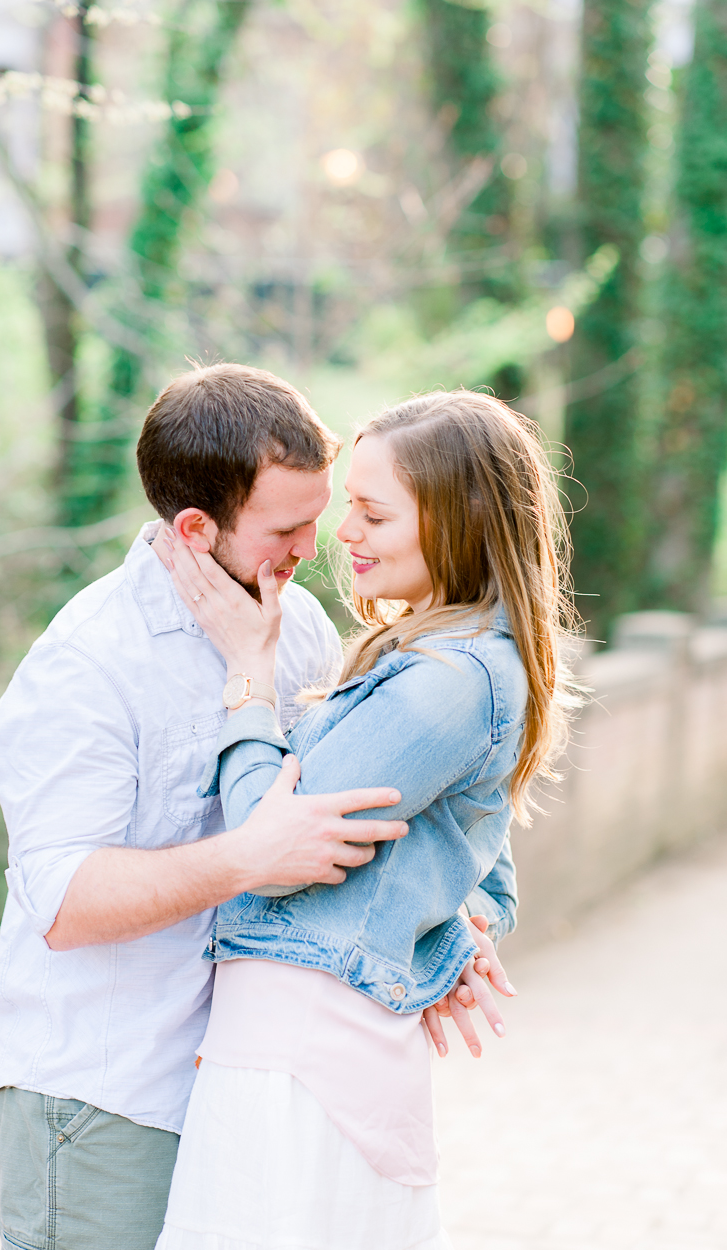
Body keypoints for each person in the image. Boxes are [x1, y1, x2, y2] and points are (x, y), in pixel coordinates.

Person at [0, 364, 515, 1250]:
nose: (320, 543)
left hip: (250, 1087)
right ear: (197, 527)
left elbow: (373, 803)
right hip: (109, 1100)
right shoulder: (86, 664)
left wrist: (450, 919)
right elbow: (65, 903)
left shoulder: (298, 625)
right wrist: (246, 858)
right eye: (289, 528)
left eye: (327, 512)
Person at [155, 388, 573, 1250]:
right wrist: (457, 928)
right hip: (303, 1040)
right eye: (352, 506)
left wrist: (248, 679)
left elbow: (267, 853)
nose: (342, 536)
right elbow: (484, 862)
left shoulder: (451, 682)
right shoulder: (448, 659)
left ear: (459, 523)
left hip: (304, 1048)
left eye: (373, 515)